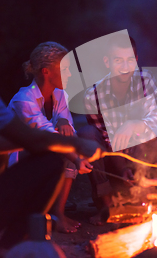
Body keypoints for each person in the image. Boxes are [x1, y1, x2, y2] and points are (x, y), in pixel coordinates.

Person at [0, 26, 102, 257]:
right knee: (51, 161)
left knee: (3, 149)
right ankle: (6, 250)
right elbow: (35, 139)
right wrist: (78, 147)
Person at [79, 35, 157, 225]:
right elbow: (105, 138)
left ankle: (143, 198)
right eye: (118, 60)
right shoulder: (94, 95)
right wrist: (122, 168)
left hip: (141, 155)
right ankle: (106, 205)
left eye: (130, 60)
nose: (124, 66)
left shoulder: (146, 81)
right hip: (111, 159)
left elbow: (156, 119)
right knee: (87, 134)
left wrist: (134, 124)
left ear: (136, 60)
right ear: (107, 62)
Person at [8, 42, 93, 233]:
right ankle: (44, 211)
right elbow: (47, 135)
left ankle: (57, 211)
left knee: (69, 138)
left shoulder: (60, 94)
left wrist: (63, 120)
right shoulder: (24, 101)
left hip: (42, 154)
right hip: (20, 163)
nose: (70, 74)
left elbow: (67, 128)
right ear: (45, 71)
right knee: (65, 151)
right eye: (65, 69)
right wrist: (78, 158)